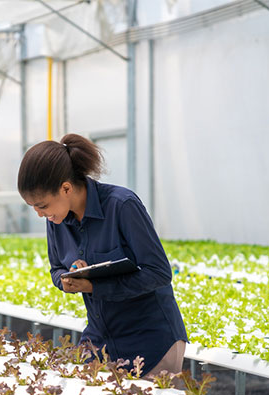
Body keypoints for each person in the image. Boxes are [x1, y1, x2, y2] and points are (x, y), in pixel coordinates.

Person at [17, 133, 188, 379]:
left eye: (42, 206)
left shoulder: (122, 205)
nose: (39, 214)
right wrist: (68, 280)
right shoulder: (56, 218)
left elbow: (159, 273)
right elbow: (56, 268)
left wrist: (94, 286)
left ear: (66, 188)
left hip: (150, 341)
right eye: (32, 207)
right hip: (100, 339)